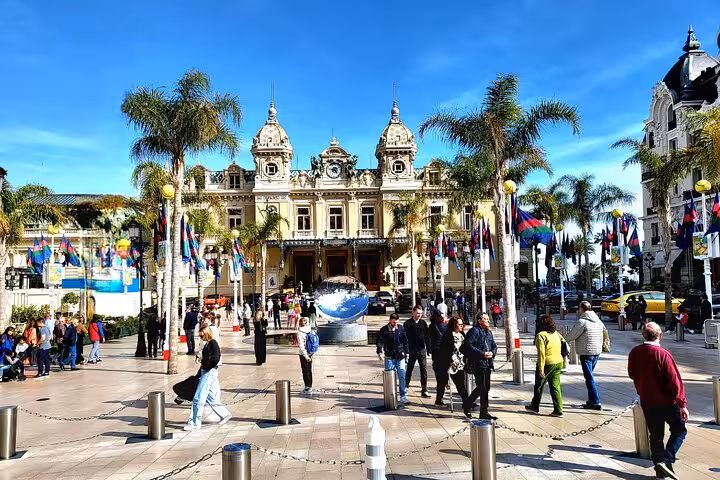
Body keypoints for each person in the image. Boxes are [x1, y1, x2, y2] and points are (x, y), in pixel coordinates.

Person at [628, 322, 687, 480]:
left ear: (643, 335)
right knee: (680, 430)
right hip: (667, 402)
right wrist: (682, 404)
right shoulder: (663, 354)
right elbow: (675, 381)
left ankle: (660, 468)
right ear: (660, 336)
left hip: (648, 400)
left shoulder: (635, 352)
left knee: (655, 436)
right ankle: (666, 460)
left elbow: (632, 373)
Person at [184, 326, 232, 431]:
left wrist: (207, 366)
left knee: (198, 396)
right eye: (199, 335)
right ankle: (225, 414)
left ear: (207, 333)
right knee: (210, 397)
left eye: (202, 335)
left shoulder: (212, 343)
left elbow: (215, 358)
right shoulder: (208, 344)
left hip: (209, 372)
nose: (200, 337)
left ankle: (195, 423)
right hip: (206, 371)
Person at [563, 301, 606, 410]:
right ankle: (591, 400)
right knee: (590, 376)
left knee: (589, 377)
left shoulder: (582, 321)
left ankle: (595, 401)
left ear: (582, 309)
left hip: (586, 352)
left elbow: (572, 334)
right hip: (597, 351)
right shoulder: (598, 321)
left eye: (579, 308)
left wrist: (563, 340)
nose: (578, 310)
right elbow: (605, 332)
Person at [525, 315, 564, 416]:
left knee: (539, 385)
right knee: (555, 386)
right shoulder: (556, 333)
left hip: (547, 363)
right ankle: (558, 409)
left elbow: (541, 354)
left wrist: (541, 369)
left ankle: (535, 406)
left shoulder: (541, 335)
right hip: (558, 362)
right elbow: (564, 341)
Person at [464, 312, 498, 420]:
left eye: (488, 319)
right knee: (481, 388)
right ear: (479, 321)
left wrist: (492, 353)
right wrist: (481, 354)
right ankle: (470, 405)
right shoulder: (474, 331)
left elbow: (494, 346)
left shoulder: (488, 332)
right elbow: (468, 345)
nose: (488, 321)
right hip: (478, 364)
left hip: (487, 364)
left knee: (485, 388)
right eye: (486, 319)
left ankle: (483, 411)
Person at [434, 315, 470, 415]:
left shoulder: (462, 334)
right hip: (450, 363)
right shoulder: (448, 335)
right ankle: (439, 399)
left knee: (460, 385)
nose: (461, 326)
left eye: (462, 324)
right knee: (444, 382)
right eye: (459, 324)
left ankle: (466, 402)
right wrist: (449, 361)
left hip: (460, 362)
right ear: (454, 325)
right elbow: (445, 350)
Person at [376, 313, 410, 404]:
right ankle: (390, 394)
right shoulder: (384, 330)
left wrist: (407, 353)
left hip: (400, 355)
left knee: (402, 375)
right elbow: (379, 342)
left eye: (396, 322)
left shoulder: (401, 329)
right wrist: (379, 351)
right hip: (390, 356)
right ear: (390, 320)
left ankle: (403, 395)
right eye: (393, 322)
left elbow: (405, 341)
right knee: (389, 377)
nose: (395, 324)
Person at [404, 305, 431, 398]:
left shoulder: (423, 323)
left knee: (423, 370)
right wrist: (405, 350)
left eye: (420, 313)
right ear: (413, 312)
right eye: (417, 313)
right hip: (411, 350)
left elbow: (427, 337)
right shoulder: (407, 323)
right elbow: (405, 338)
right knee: (409, 369)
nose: (419, 315)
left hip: (421, 350)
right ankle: (405, 386)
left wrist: (429, 349)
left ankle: (424, 389)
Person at [297, 317, 317, 393]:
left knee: (305, 371)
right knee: (309, 370)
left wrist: (305, 356)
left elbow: (301, 346)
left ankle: (307, 388)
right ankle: (310, 386)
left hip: (303, 354)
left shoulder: (300, 333)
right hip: (311, 352)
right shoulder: (311, 330)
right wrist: (312, 354)